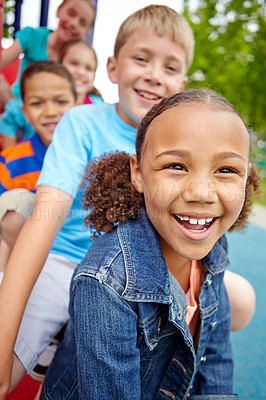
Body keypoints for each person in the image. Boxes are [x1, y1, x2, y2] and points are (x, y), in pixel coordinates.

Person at [0, 5, 255, 398]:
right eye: (141, 59)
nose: (154, 74)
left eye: (169, 68)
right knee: (6, 366)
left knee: (238, 299)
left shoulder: (184, 140)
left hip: (147, 269)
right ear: (113, 67)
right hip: (71, 256)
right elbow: (46, 219)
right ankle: (60, 335)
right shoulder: (82, 122)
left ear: (182, 85)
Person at [41, 89, 261, 399]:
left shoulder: (214, 242)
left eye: (226, 170)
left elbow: (216, 358)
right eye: (176, 166)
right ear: (139, 173)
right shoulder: (105, 282)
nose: (201, 192)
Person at [0, 60, 77, 271]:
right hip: (27, 255)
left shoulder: (90, 155)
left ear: (76, 105)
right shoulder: (10, 161)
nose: (50, 111)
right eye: (37, 103)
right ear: (24, 112)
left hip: (79, 252)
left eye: (61, 101)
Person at [0, 0, 95, 150]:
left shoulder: (73, 59)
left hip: (48, 108)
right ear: (59, 11)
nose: (74, 23)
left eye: (82, 23)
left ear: (85, 33)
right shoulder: (33, 36)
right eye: (71, 14)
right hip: (19, 100)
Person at [59, 39, 103, 105]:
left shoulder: (98, 105)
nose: (81, 72)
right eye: (74, 63)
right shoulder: (48, 99)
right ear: (59, 65)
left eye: (89, 68)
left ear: (94, 76)